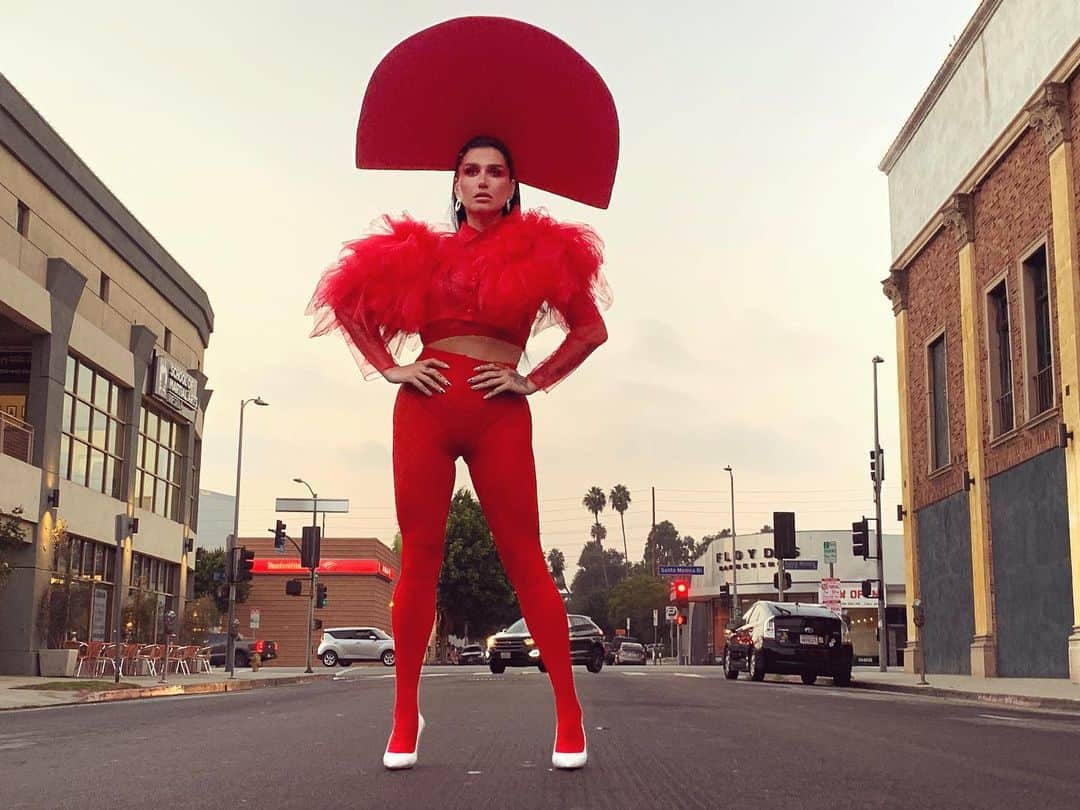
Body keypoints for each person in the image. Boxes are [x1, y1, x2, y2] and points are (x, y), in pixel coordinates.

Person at [308, 135, 611, 770]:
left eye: (495, 172)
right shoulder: (423, 253)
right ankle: (403, 714)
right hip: (425, 408)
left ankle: (569, 711)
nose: (481, 182)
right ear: (454, 184)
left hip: (500, 412)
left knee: (526, 557)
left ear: (510, 185)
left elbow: (591, 328)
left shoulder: (542, 250)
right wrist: (390, 366)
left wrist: (534, 378)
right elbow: (347, 301)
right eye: (469, 171)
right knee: (419, 557)